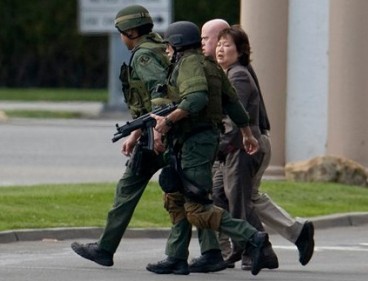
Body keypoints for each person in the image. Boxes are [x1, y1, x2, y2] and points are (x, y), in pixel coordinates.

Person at [70, 5, 225, 273]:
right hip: (177, 131)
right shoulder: (160, 47)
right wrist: (135, 131)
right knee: (192, 193)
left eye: (121, 32)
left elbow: (160, 95)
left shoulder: (143, 57)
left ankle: (105, 248)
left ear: (130, 31)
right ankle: (211, 252)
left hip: (162, 133)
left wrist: (152, 133)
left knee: (128, 188)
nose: (121, 37)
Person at [145, 20, 275, 277]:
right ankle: (177, 257)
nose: (167, 51)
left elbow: (196, 99)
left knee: (198, 207)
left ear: (177, 45)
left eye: (169, 46)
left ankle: (253, 238)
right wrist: (248, 134)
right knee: (177, 199)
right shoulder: (211, 67)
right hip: (199, 142)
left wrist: (167, 123)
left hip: (194, 142)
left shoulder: (189, 66)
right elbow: (234, 104)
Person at [201, 19, 315, 269]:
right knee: (228, 195)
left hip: (242, 146)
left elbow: (235, 117)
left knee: (240, 199)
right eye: (217, 44)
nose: (218, 48)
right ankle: (278, 239)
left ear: (240, 51)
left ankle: (257, 248)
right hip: (238, 146)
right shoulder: (228, 73)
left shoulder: (238, 75)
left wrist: (216, 148)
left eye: (225, 44)